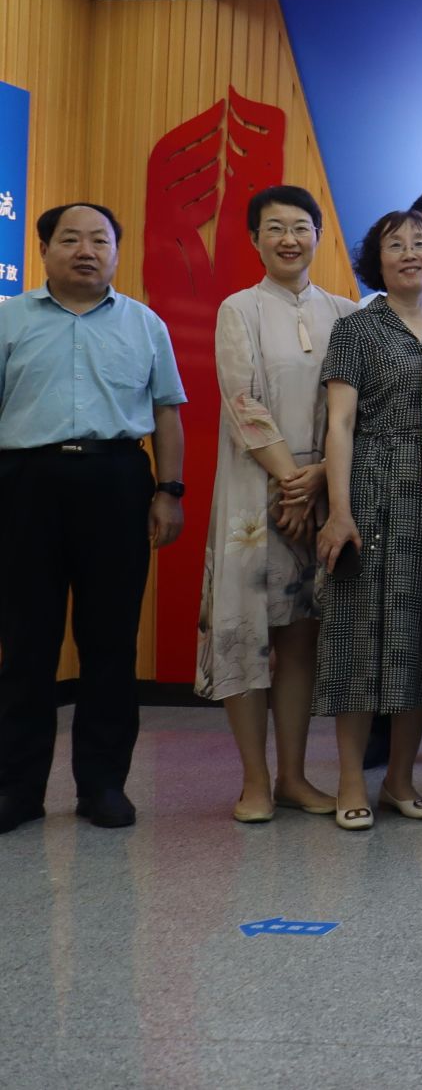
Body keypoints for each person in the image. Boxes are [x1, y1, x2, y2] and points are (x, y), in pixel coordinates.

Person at [0, 204, 186, 835]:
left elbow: (166, 413)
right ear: (44, 249)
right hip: (24, 483)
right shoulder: (10, 319)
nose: (86, 250)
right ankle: (16, 789)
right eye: (71, 239)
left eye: (99, 240)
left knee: (110, 642)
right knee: (25, 643)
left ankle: (103, 786)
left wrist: (169, 491)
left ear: (115, 252)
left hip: (116, 481)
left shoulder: (145, 323)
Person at [197, 185, 353, 824]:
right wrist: (293, 482)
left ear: (318, 235)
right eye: (274, 228)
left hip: (324, 495)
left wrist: (318, 481)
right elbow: (243, 402)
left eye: (300, 227)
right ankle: (254, 782)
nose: (289, 239)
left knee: (301, 638)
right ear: (255, 239)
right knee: (245, 636)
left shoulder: (346, 313)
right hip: (252, 498)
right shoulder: (239, 309)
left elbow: (355, 412)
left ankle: (293, 776)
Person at [314, 210, 422, 830]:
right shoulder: (356, 328)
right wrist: (338, 510)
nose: (410, 253)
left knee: (421, 637)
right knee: (358, 637)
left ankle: (400, 779)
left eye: (420, 243)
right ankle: (351, 780)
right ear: (377, 259)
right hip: (370, 489)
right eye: (395, 244)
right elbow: (340, 424)